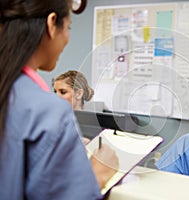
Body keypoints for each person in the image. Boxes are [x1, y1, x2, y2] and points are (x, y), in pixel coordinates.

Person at [0, 1, 118, 199]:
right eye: (69, 27)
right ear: (52, 23)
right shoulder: (48, 112)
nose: (67, 39)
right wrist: (98, 174)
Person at [53, 70, 94, 144]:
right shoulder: (54, 121)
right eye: (55, 92)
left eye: (62, 92)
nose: (56, 96)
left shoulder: (94, 126)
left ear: (79, 94)